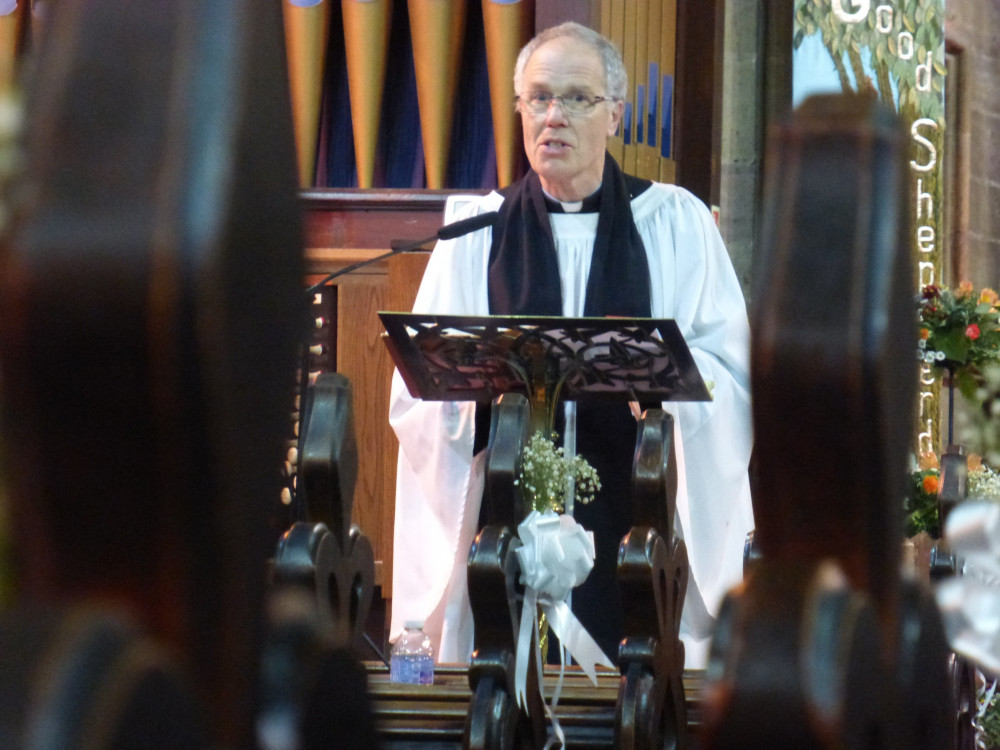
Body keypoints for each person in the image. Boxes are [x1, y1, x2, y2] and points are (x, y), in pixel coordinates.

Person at [388, 21, 754, 668]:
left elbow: (730, 371)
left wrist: (671, 396)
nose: (553, 116)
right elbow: (417, 399)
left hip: (635, 507)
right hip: (504, 511)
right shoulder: (474, 232)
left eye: (577, 98)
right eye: (538, 97)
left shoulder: (675, 224)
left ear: (616, 113)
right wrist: (476, 402)